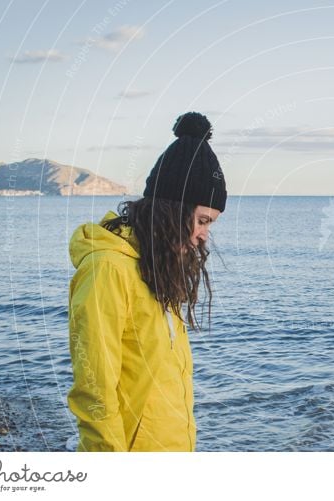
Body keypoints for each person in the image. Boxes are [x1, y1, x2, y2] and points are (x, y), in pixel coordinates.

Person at [67, 112, 227, 451]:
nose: (203, 235)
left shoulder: (159, 270)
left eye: (210, 223)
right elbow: (94, 391)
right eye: (200, 220)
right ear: (172, 209)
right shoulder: (108, 269)